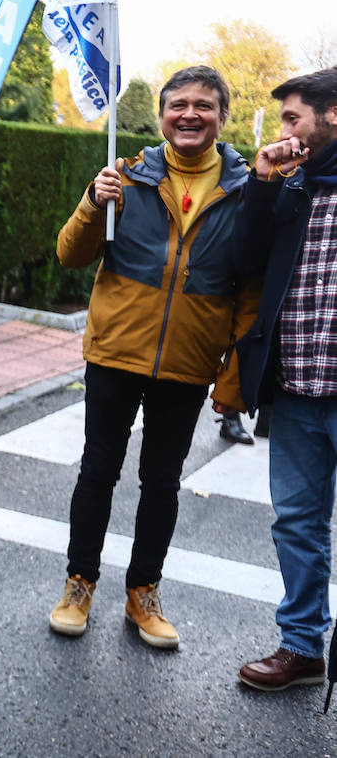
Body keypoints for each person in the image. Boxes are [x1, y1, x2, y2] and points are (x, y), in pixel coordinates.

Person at [50, 66, 257, 650]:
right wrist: (94, 202)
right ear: (161, 114)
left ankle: (143, 593)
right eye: (179, 105)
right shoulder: (128, 176)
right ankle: (78, 583)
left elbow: (248, 294)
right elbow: (69, 254)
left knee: (162, 483)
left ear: (222, 116)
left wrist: (233, 379)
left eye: (204, 106)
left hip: (189, 362)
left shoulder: (244, 193)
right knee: (98, 472)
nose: (190, 114)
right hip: (116, 352)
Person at [235, 67, 337, 690]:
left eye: (293, 118)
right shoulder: (292, 186)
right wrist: (264, 182)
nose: (286, 132)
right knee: (297, 521)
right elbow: (245, 260)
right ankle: (302, 646)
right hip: (297, 388)